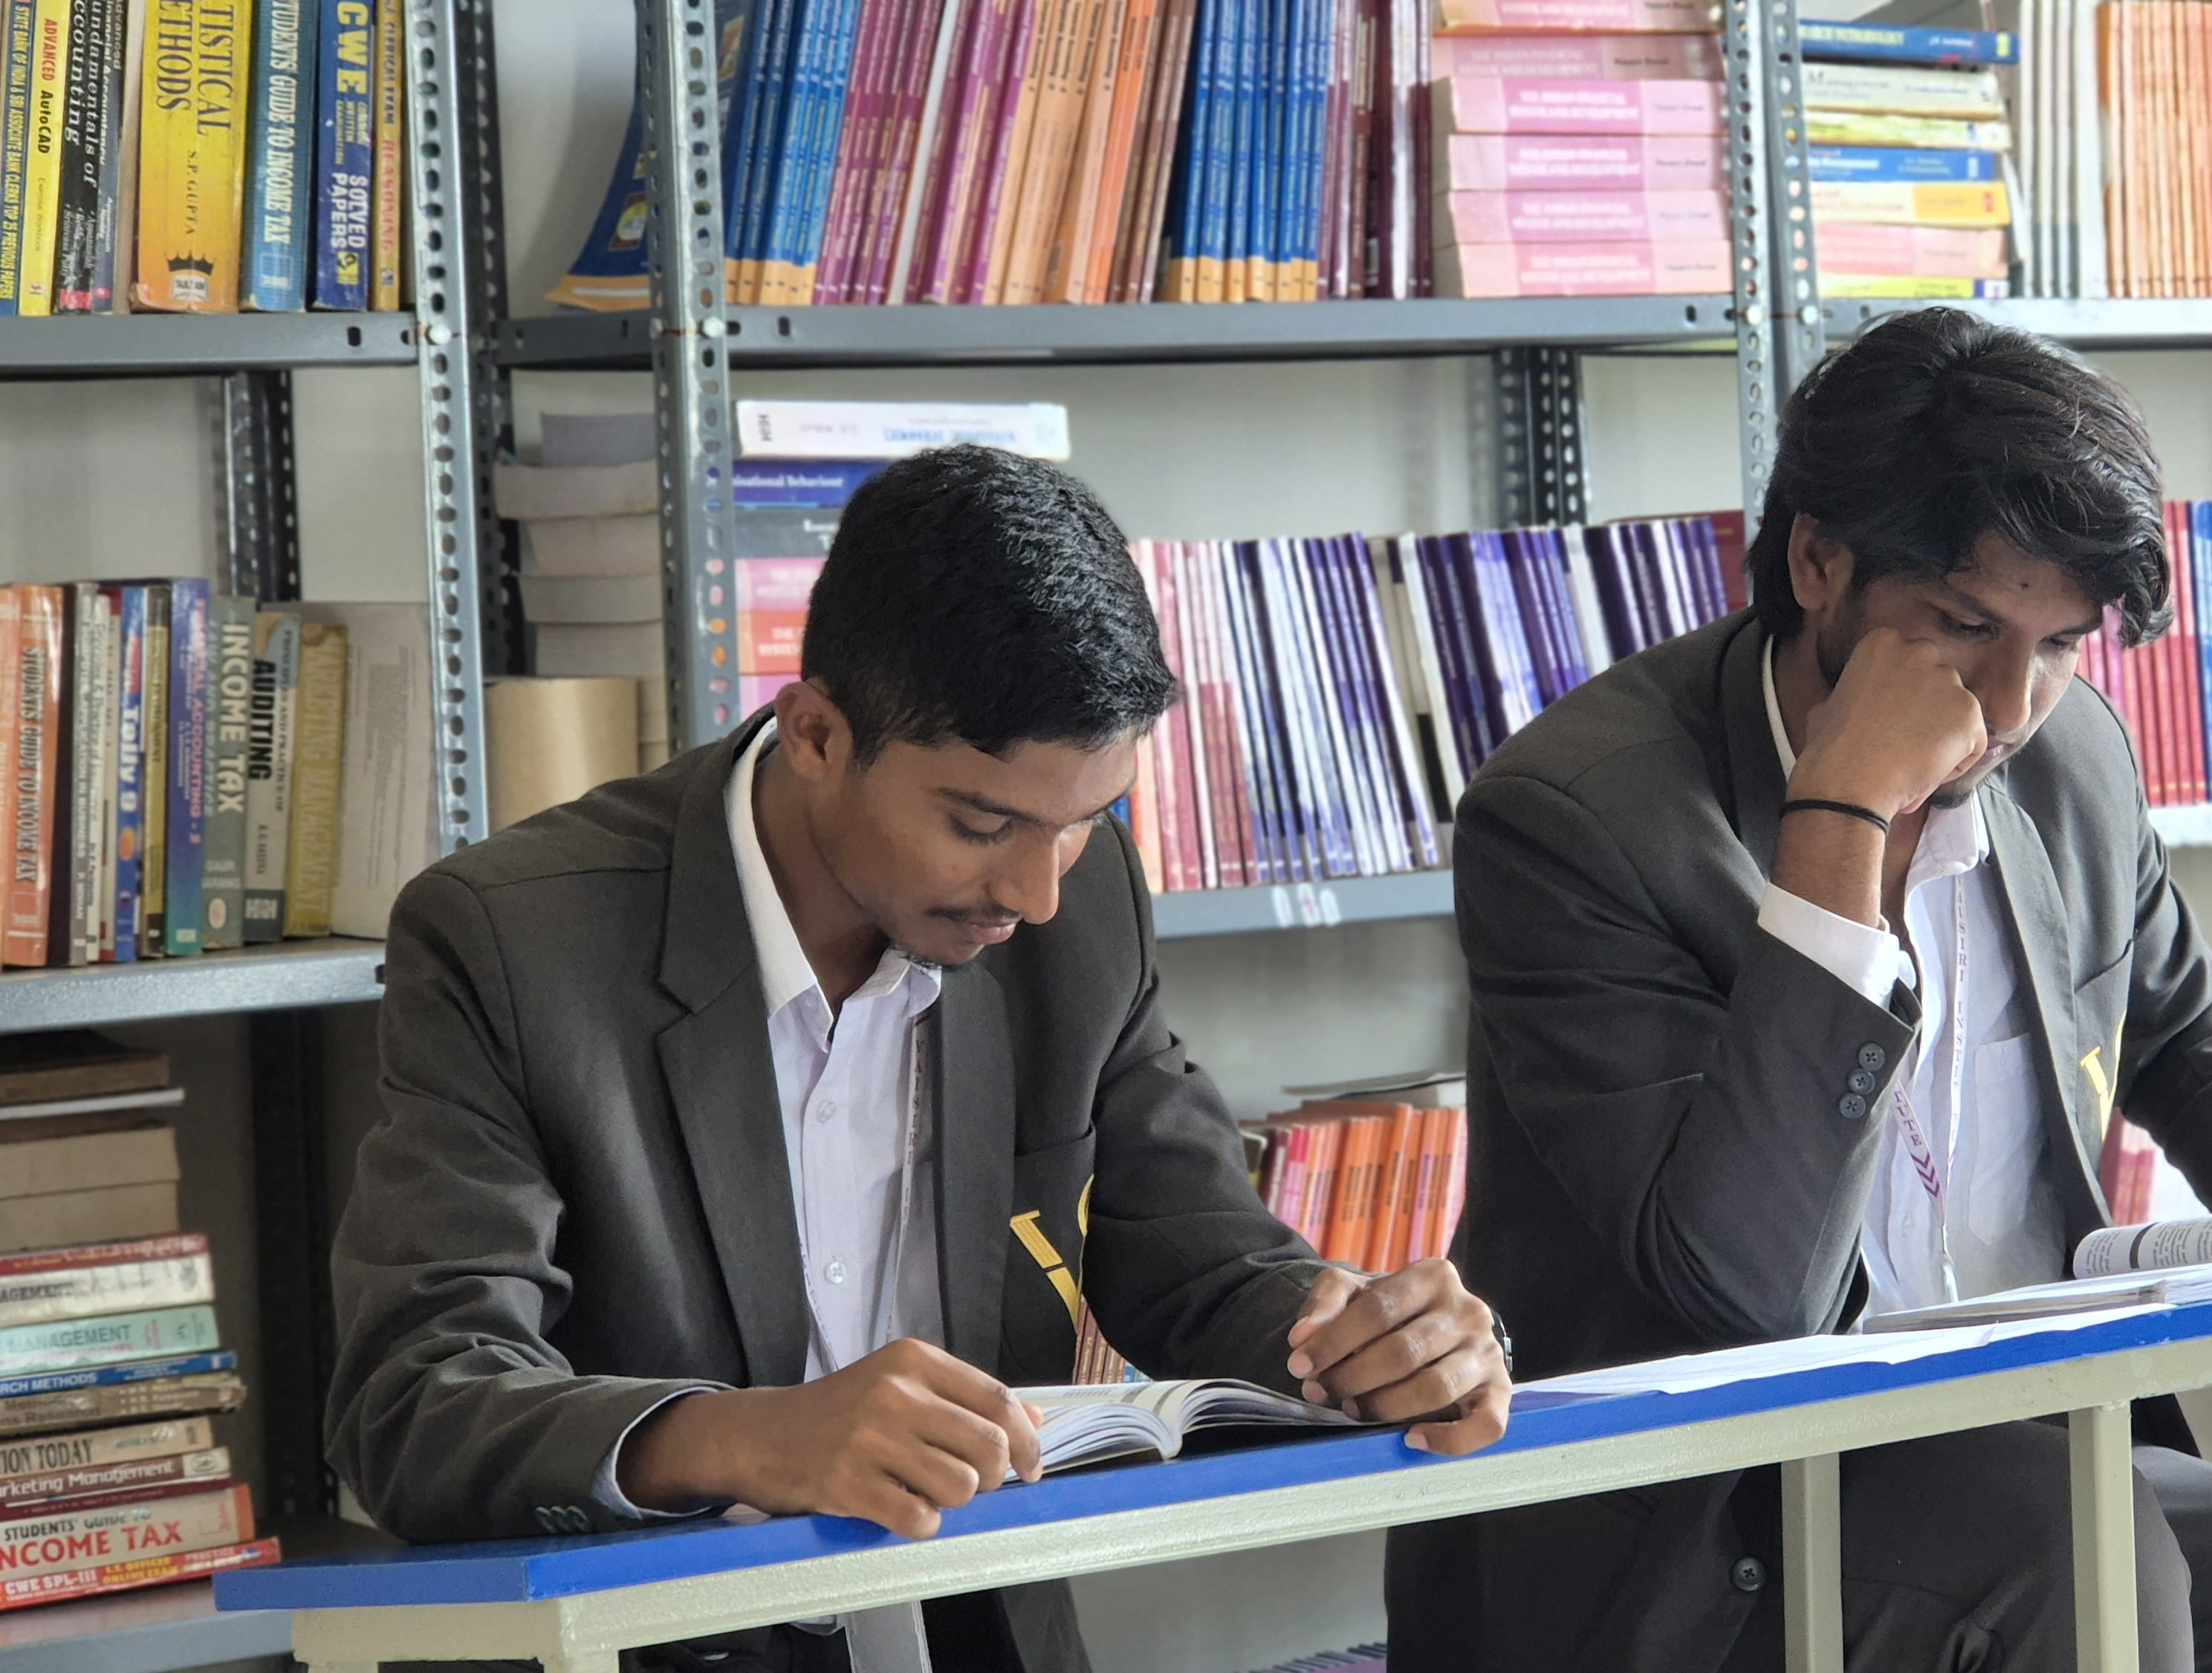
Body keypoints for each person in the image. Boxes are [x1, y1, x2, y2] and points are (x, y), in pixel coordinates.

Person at [1386, 311, 2212, 1673]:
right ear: (1818, 559)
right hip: (1710, 1517)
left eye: (2062, 644)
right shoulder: (1579, 818)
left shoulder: (2070, 763)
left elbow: (2184, 1010)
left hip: (2041, 1450)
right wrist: (1841, 812)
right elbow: (1742, 1288)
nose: (2009, 704)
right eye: (1964, 626)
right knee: (2087, 1578)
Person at [329, 446, 1511, 1673]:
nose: (1035, 894)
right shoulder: (515, 939)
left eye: (1085, 822)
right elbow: (413, 1406)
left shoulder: (1078, 901)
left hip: (982, 1634)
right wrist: (750, 1438)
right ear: (816, 733)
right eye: (981, 824)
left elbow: (1203, 1267)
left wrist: (1367, 1343)